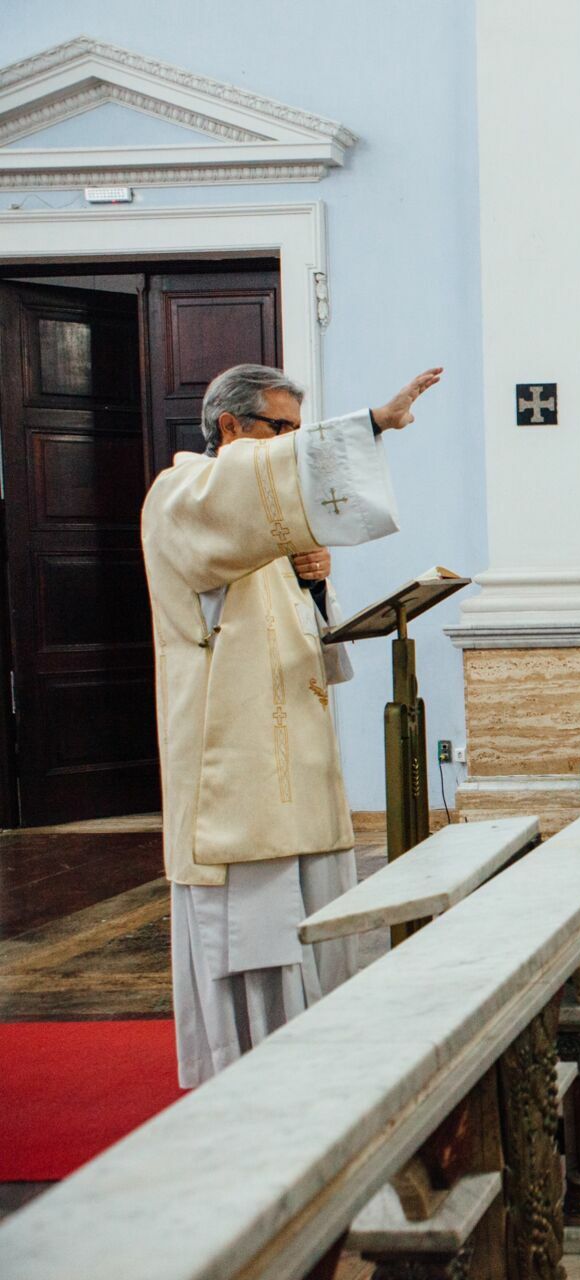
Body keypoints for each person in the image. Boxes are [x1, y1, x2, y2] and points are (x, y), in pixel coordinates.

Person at [149, 362, 443, 1086]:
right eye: (281, 432)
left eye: (297, 434)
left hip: (298, 758)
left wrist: (315, 583)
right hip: (235, 764)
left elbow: (313, 638)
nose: (293, 450)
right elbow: (245, 506)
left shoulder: (260, 522)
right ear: (229, 428)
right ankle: (246, 1068)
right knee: (260, 924)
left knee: (316, 914)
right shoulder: (183, 494)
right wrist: (371, 423)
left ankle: (321, 1050)